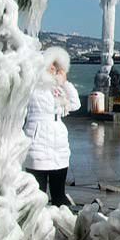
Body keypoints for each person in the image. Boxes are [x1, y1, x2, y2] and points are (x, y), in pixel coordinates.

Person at [23, 47, 81, 206]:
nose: (54, 69)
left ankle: (60, 217)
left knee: (59, 195)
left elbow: (75, 104)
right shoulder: (32, 86)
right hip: (37, 142)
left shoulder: (59, 88)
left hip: (58, 144)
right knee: (37, 194)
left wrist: (65, 82)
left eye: (57, 66)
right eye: (51, 65)